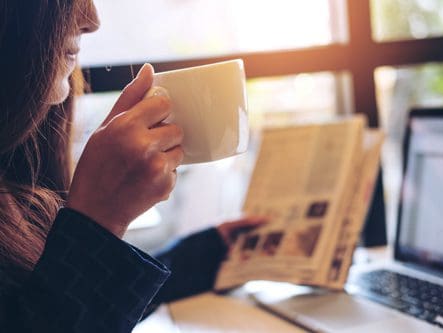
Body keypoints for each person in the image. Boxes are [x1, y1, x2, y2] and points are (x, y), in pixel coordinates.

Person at [0, 1, 265, 332]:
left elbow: (47, 307)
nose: (91, 19)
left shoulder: (16, 178)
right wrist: (98, 222)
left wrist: (206, 253)